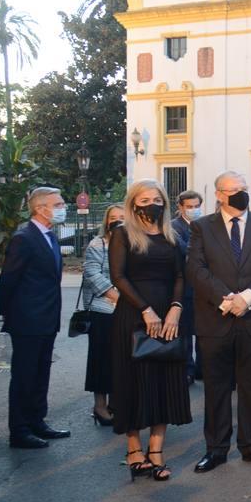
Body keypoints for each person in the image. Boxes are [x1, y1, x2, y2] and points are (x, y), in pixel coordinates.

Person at [187, 171, 251, 472]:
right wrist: (227, 300)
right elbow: (196, 268)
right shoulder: (202, 227)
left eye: (244, 188)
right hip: (215, 318)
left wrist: (248, 298)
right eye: (234, 190)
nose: (241, 194)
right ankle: (216, 448)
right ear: (219, 194)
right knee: (216, 386)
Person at [108, 180, 190, 481]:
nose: (151, 203)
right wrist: (145, 309)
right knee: (132, 381)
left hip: (169, 316)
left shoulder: (172, 235)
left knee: (164, 381)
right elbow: (118, 276)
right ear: (133, 203)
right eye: (145, 199)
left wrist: (176, 308)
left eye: (157, 199)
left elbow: (182, 275)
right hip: (133, 314)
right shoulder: (122, 234)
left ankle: (156, 449)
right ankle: (134, 449)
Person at [0, 186, 70, 450]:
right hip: (27, 321)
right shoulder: (24, 238)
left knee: (41, 373)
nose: (64, 208)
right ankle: (19, 430)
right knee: (24, 376)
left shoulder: (49, 236)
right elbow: (7, 281)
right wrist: (10, 314)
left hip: (47, 318)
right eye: (59, 204)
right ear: (41, 208)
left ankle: (37, 421)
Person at [82, 204, 125, 426]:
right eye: (113, 218)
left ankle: (118, 404)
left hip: (127, 311)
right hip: (103, 309)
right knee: (101, 360)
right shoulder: (97, 244)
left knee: (121, 360)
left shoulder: (132, 243)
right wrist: (118, 296)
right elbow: (91, 273)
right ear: (106, 222)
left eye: (122, 217)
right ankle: (100, 406)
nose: (117, 221)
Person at [172, 190, 204, 384]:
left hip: (204, 288)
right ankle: (187, 369)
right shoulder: (174, 227)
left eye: (197, 206)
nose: (194, 210)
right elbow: (185, 253)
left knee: (203, 331)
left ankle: (203, 368)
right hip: (184, 287)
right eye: (190, 207)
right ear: (181, 207)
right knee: (184, 332)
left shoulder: (205, 225)